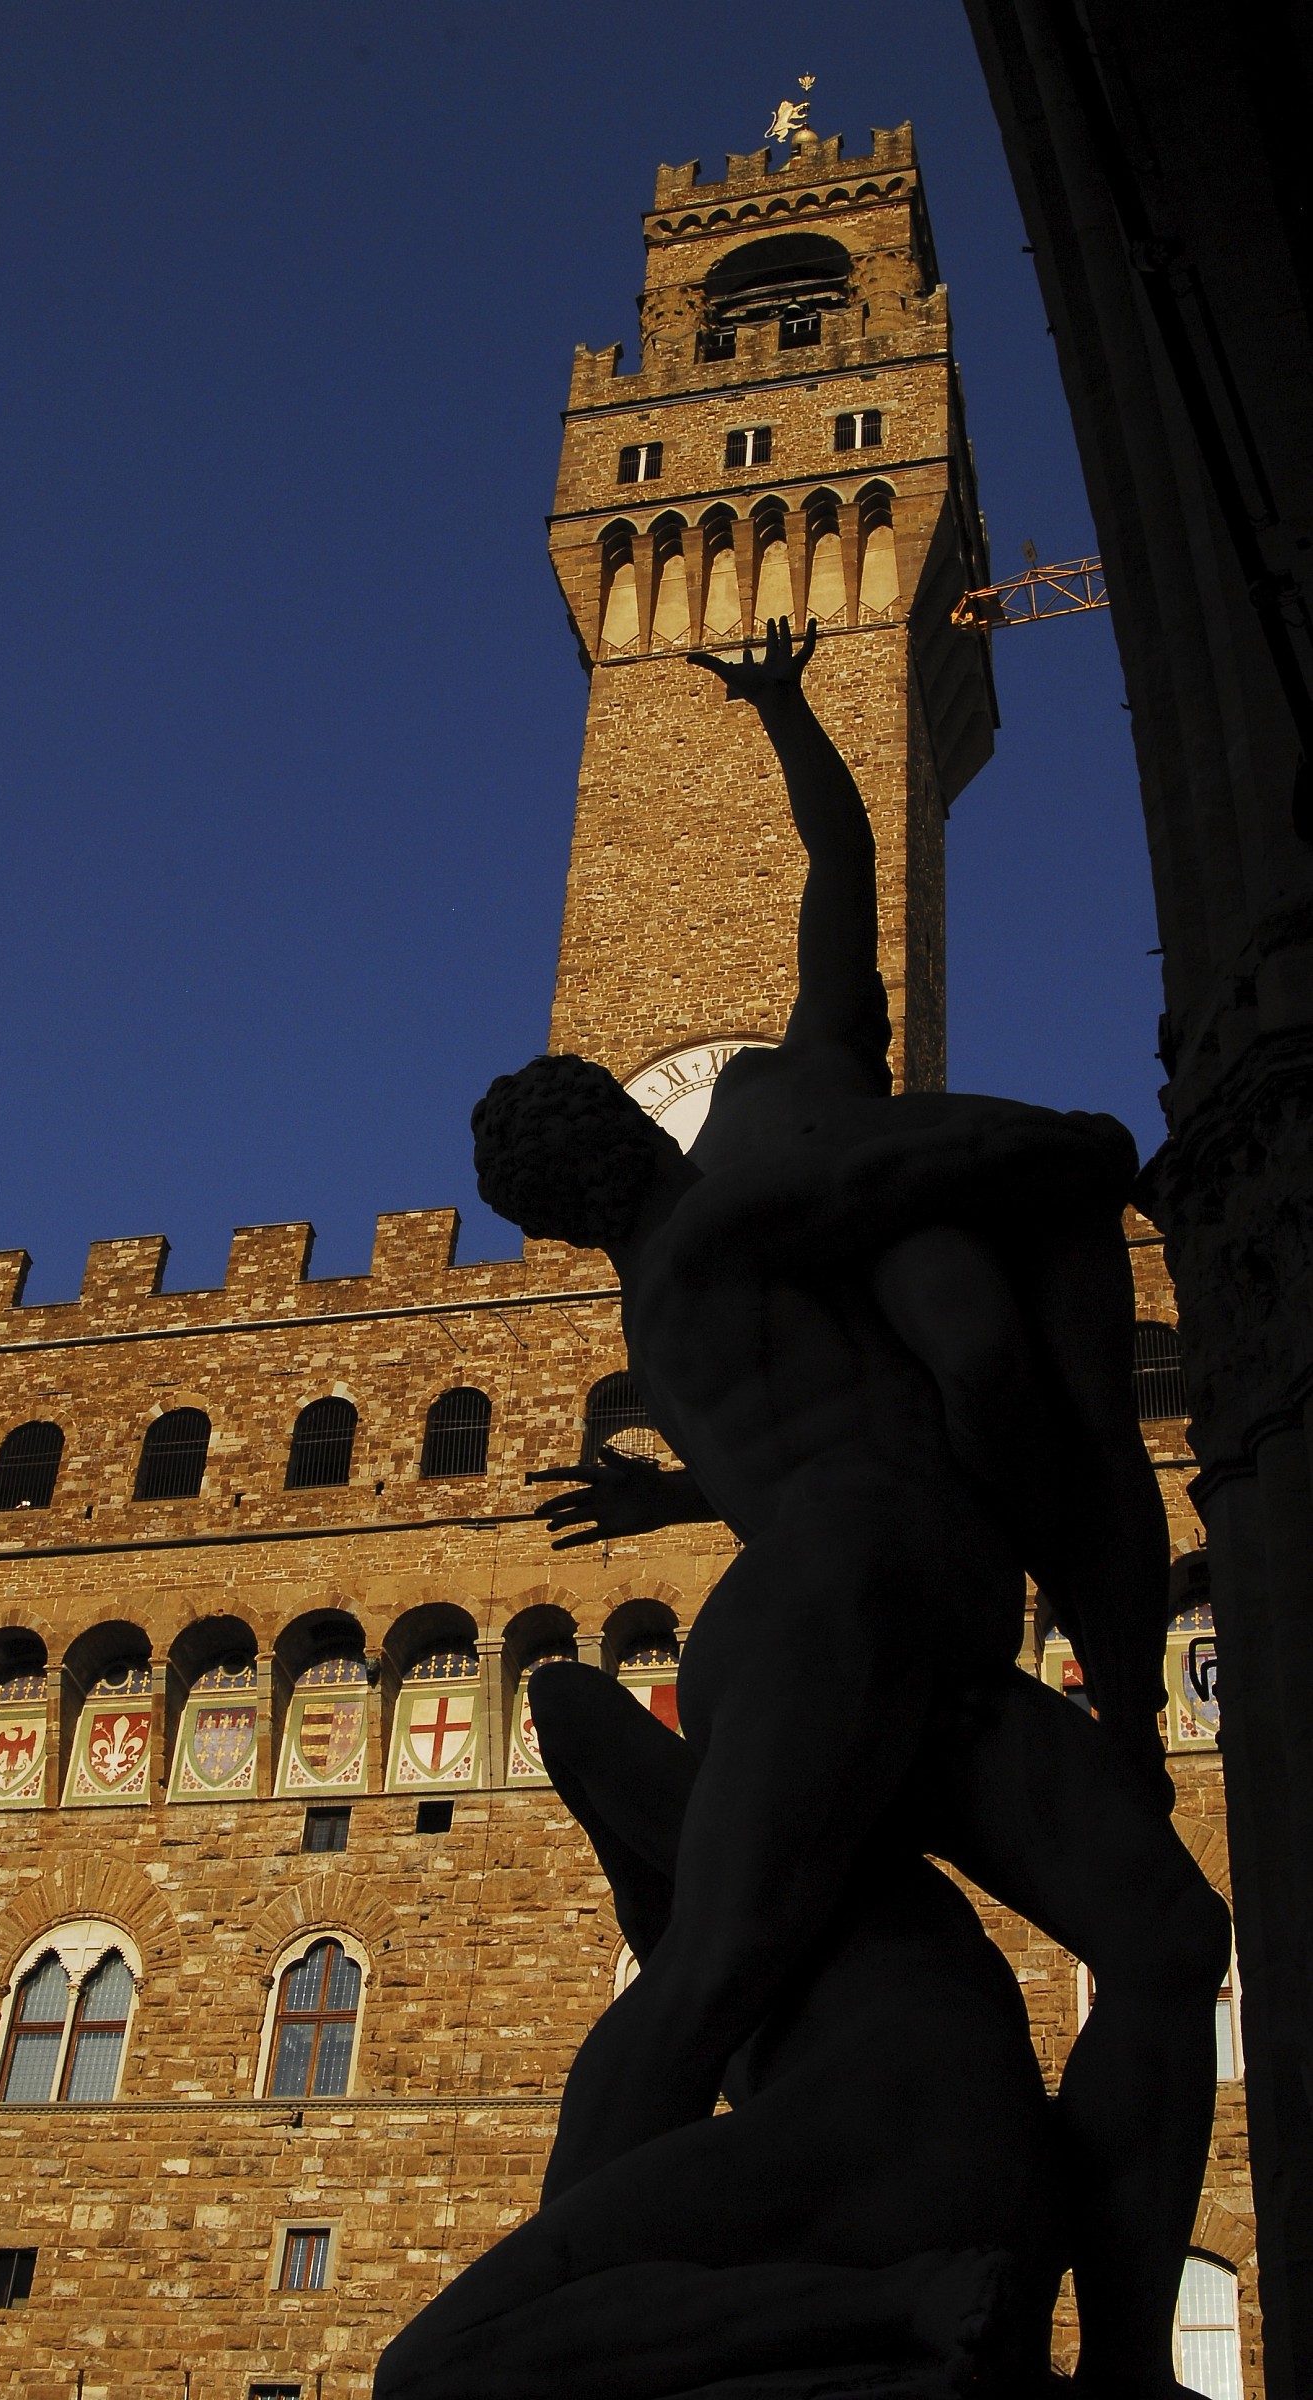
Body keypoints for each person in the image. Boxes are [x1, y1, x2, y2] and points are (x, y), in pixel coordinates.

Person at [469, 622, 1230, 2399]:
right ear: (608, 1137)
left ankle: (1120, 2367)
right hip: (834, 1610)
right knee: (724, 1959)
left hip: (922, 1623)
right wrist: (1064, 1154)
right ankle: (552, 2316)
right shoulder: (738, 1198)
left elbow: (839, 887)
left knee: (1167, 1943)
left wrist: (789, 708)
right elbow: (863, 961)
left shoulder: (689, 1293)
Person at [376, 1665, 1063, 2400]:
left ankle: (899, 2306)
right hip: (999, 2186)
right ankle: (904, 2313)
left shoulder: (753, 1862)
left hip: (884, 2145)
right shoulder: (884, 1903)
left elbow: (561, 1697)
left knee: (429, 2371)